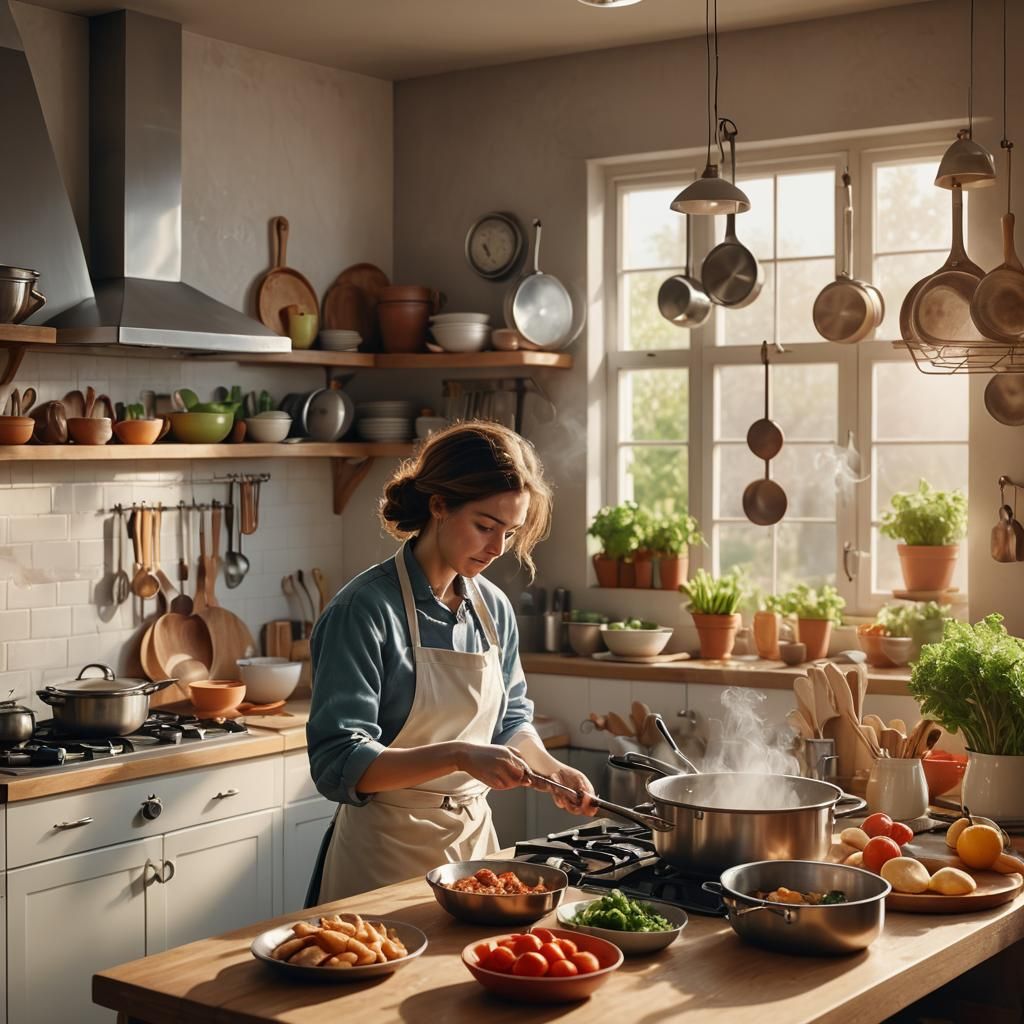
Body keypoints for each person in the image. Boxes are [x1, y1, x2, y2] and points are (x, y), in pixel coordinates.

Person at [305, 421, 596, 903]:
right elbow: (339, 763)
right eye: (485, 526)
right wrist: (460, 754)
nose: (498, 548)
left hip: (475, 851)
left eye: (511, 532)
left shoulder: (493, 607)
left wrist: (550, 770)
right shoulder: (365, 609)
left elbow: (510, 719)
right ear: (439, 506)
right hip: (384, 855)